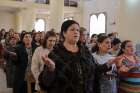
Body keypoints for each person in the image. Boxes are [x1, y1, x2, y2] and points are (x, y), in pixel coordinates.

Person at [40, 20, 96, 93]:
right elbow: (45, 83)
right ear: (64, 33)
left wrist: (108, 65)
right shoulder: (55, 53)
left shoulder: (85, 52)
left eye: (78, 30)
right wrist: (50, 70)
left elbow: (94, 72)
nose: (76, 32)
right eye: (72, 29)